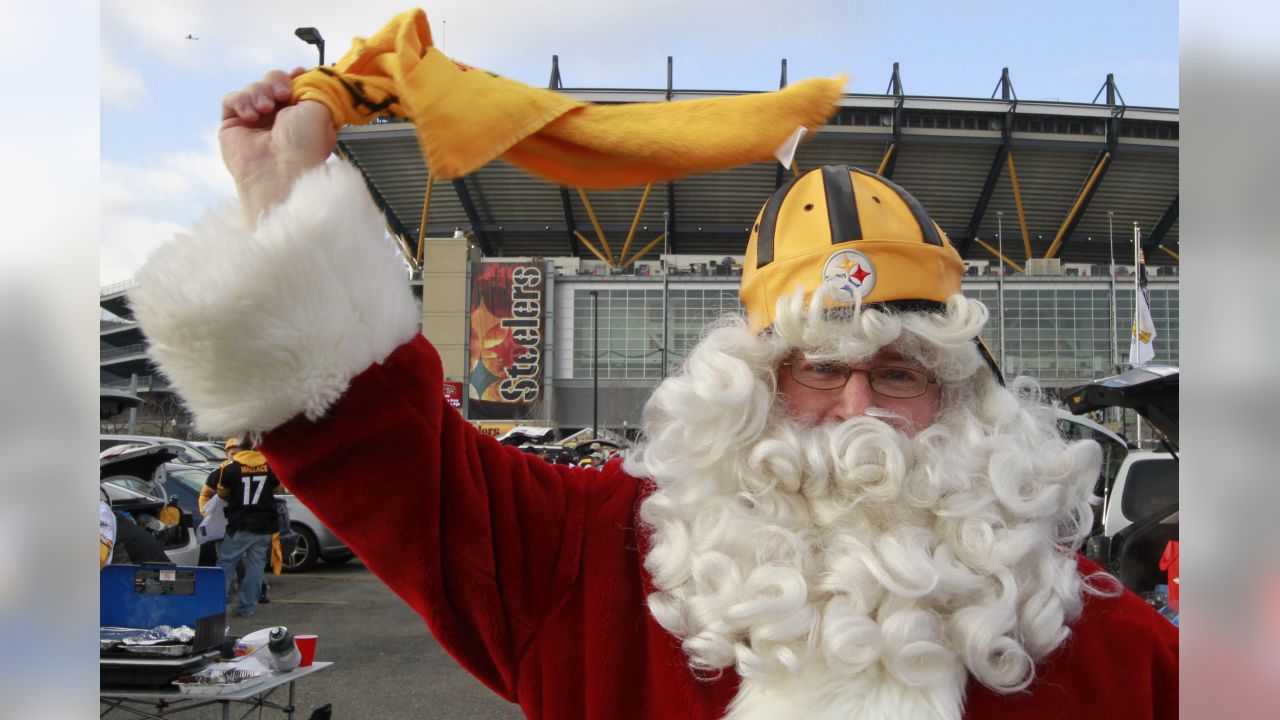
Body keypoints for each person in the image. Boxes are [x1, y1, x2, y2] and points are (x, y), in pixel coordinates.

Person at [129, 70, 1177, 718]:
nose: (856, 408)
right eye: (818, 366)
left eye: (897, 372)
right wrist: (281, 200)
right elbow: (375, 445)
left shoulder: (1110, 648)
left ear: (960, 405)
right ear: (751, 392)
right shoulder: (590, 562)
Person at [204, 435, 281, 616]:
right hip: (264, 525)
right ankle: (248, 607)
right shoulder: (269, 467)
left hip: (240, 524)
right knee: (256, 566)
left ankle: (216, 605)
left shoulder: (231, 469)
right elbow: (277, 489)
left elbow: (222, 492)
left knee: (226, 564)